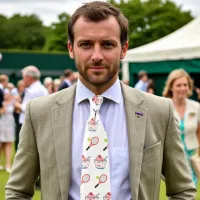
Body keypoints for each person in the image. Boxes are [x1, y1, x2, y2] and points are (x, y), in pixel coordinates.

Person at [6, 2, 196, 200]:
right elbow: (17, 191)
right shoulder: (39, 112)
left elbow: (182, 191)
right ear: (71, 49)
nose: (96, 56)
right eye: (86, 44)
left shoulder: (159, 111)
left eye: (107, 44)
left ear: (124, 49)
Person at [163, 68, 200, 187]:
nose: (183, 88)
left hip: (192, 158)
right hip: (173, 159)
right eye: (178, 85)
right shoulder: (164, 106)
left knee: (190, 191)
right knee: (177, 192)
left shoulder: (196, 107)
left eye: (185, 85)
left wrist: (198, 155)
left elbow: (199, 133)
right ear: (171, 87)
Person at [0, 89, 15, 173]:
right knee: (1, 144)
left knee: (9, 143)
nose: (6, 95)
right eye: (5, 94)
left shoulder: (13, 102)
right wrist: (3, 106)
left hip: (10, 125)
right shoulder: (1, 103)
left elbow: (17, 111)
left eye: (7, 94)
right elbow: (1, 112)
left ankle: (8, 165)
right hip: (2, 125)